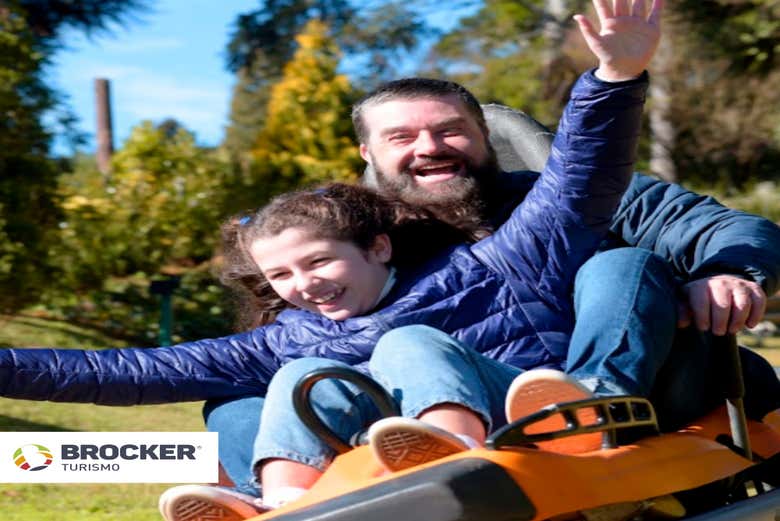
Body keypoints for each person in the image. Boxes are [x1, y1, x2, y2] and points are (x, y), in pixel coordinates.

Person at [0, 2, 672, 519]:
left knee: (410, 340)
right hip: (388, 438)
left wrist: (615, 77)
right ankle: (283, 502)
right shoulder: (294, 335)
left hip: (518, 416)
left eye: (318, 262)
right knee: (291, 378)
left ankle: (460, 447)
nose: (303, 286)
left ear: (377, 246)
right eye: (280, 276)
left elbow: (579, 177)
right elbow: (132, 370)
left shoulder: (495, 262)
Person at [201, 0, 780, 512]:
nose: (429, 148)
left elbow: (722, 228)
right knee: (235, 397)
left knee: (619, 265)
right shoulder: (351, 245)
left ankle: (589, 405)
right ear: (368, 154)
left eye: (450, 131)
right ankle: (279, 499)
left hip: (631, 388)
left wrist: (726, 271)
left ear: (485, 136)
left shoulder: (581, 195)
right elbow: (285, 341)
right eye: (401, 137)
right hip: (417, 404)